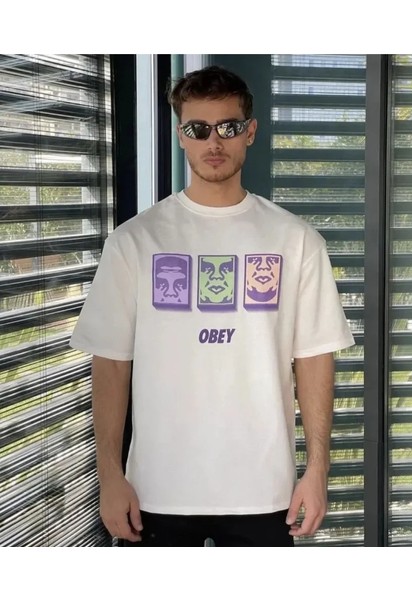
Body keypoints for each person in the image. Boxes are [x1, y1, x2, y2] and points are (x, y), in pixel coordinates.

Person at [69, 65, 355, 547]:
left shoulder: (296, 240)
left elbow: (314, 358)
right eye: (198, 129)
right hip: (157, 491)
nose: (214, 142)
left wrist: (317, 469)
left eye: (228, 127)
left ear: (250, 132)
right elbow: (111, 363)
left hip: (264, 491)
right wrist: (110, 476)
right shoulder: (135, 241)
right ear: (181, 135)